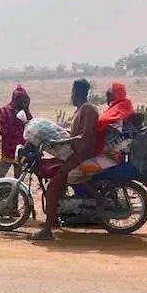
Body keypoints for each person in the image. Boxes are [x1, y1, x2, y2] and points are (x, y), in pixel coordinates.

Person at [31, 79, 99, 241]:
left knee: (53, 186)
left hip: (80, 156)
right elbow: (76, 133)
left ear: (76, 92)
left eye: (72, 92)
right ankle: (54, 219)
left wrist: (62, 142)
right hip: (74, 154)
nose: (71, 96)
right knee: (55, 181)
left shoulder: (88, 109)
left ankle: (48, 229)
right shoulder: (81, 110)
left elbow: (85, 135)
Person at [0, 85, 32, 179]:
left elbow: (31, 126)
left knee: (19, 179)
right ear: (15, 99)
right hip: (8, 150)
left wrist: (26, 110)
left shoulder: (24, 112)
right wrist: (15, 116)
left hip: (20, 151)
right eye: (20, 99)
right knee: (0, 176)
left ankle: (15, 194)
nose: (22, 102)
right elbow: (3, 131)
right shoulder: (4, 111)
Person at [96, 82, 134, 153]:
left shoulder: (118, 110)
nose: (107, 98)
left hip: (117, 147)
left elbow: (101, 121)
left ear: (115, 96)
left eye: (108, 95)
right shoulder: (127, 106)